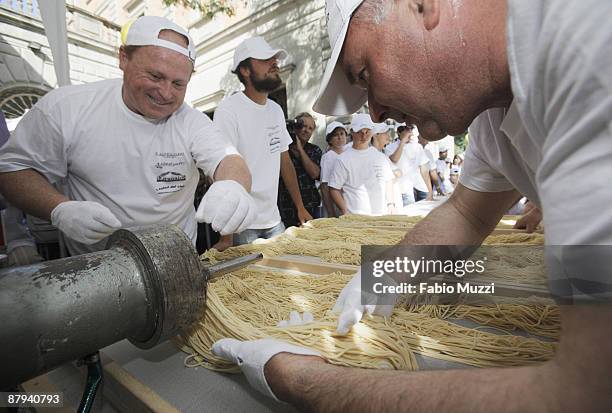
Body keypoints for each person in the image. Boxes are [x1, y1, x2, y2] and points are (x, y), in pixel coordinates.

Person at [209, 0, 612, 410]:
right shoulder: (494, 115)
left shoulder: (585, 54)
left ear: (423, 5)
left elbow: (587, 391)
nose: (375, 110)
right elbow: (468, 211)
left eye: (363, 74)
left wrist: (303, 382)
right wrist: (386, 270)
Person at [0, 16, 256, 256]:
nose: (166, 93)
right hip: (96, 266)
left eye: (178, 84)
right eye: (156, 76)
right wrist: (58, 208)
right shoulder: (66, 108)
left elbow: (228, 159)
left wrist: (232, 186)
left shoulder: (189, 120)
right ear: (123, 58)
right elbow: (12, 170)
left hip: (176, 262)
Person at [212, 37, 312, 250]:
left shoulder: (275, 110)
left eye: (274, 58)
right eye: (266, 59)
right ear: (245, 70)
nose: (275, 63)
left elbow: (285, 161)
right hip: (242, 226)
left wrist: (300, 207)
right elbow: (222, 172)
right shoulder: (228, 110)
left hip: (274, 221)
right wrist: (226, 237)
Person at [328, 113, 395, 215]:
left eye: (367, 131)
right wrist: (344, 210)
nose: (364, 136)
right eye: (360, 132)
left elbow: (388, 180)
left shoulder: (379, 156)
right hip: (356, 217)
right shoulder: (343, 159)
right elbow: (334, 188)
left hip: (381, 215)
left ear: (372, 132)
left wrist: (391, 204)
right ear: (352, 132)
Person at [278, 112, 322, 227]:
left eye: (310, 128)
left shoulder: (314, 150)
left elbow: (315, 174)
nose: (306, 130)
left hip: (310, 205)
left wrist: (300, 150)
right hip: (285, 207)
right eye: (302, 126)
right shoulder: (283, 150)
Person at [386, 124, 433, 204]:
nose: (409, 131)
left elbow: (424, 170)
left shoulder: (418, 147)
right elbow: (394, 160)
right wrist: (403, 141)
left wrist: (430, 191)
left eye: (411, 129)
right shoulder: (390, 147)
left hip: (421, 189)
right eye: (406, 129)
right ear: (398, 132)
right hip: (404, 191)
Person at [320, 121, 347, 217]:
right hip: (334, 205)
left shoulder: (348, 153)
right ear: (329, 139)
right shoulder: (328, 157)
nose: (340, 137)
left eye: (342, 134)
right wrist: (331, 212)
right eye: (335, 135)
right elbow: (324, 186)